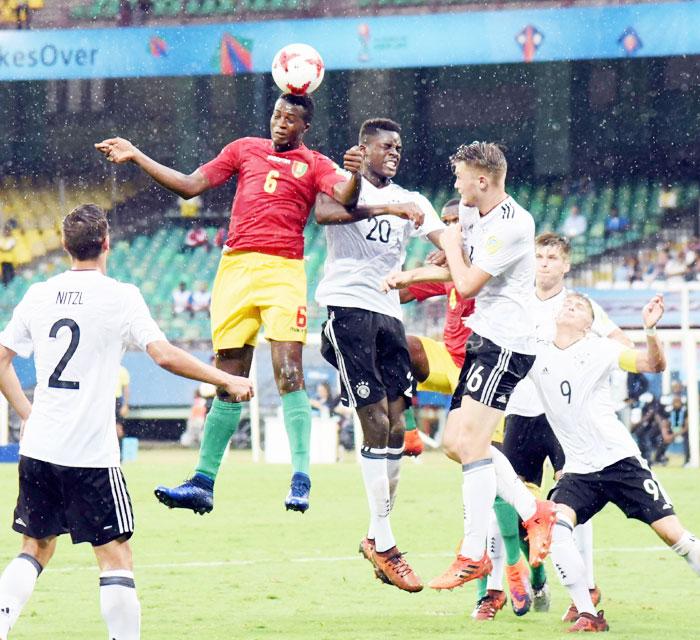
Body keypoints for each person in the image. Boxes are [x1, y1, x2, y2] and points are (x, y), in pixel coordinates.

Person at [96, 93, 363, 514]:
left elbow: (346, 196)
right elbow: (189, 185)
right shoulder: (244, 149)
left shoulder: (315, 164)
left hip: (283, 270)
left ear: (304, 128)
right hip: (235, 269)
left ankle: (300, 477)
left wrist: (356, 174)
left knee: (289, 371)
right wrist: (136, 156)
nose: (280, 123)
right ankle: (203, 482)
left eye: (291, 119)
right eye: (277, 115)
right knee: (228, 377)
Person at [0, 204, 254, 640]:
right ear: (107, 244)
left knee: (35, 548)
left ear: (64, 246)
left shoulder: (38, 294)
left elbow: (2, 359)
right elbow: (163, 355)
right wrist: (225, 377)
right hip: (91, 456)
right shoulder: (120, 296)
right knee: (116, 557)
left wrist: (29, 412)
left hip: (38, 449)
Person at [384, 141, 556, 591]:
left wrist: (452, 242)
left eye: (461, 176)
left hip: (506, 344)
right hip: (484, 340)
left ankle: (473, 554)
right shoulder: (474, 212)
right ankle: (531, 508)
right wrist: (411, 276)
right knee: (456, 444)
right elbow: (455, 272)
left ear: (483, 180)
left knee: (474, 443)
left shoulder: (514, 225)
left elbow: (467, 281)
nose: (456, 183)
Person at [314, 118, 444, 592]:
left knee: (395, 427)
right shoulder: (343, 184)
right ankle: (386, 542)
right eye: (386, 145)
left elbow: (444, 240)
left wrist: (455, 252)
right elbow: (325, 213)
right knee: (373, 422)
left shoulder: (417, 200)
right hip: (347, 309)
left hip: (389, 317)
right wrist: (383, 203)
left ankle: (376, 535)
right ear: (363, 149)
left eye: (400, 146)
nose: (395, 152)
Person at [534, 293, 700, 631]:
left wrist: (650, 331)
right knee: (556, 529)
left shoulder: (600, 350)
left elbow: (653, 365)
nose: (570, 306)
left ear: (589, 325)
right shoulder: (536, 354)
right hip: (579, 470)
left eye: (580, 307)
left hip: (619, 461)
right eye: (568, 304)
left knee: (674, 535)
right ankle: (587, 613)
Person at [401, 198, 533, 619]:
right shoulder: (451, 269)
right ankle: (407, 427)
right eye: (450, 224)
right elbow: (403, 291)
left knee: (482, 471)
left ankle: (504, 575)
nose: (455, 230)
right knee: (398, 344)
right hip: (452, 363)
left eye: (460, 222)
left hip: (487, 367)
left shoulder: (487, 265)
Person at [503, 232, 633, 621]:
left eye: (552, 257)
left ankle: (585, 587)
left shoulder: (578, 306)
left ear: (566, 265)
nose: (544, 262)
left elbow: (619, 342)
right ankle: (534, 573)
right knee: (514, 503)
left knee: (574, 501)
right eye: (539, 256)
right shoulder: (517, 301)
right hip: (521, 413)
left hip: (564, 419)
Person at [115, 364, 130, 460]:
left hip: (117, 401)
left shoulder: (122, 370)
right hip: (104, 400)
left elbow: (126, 389)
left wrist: (126, 405)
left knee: (118, 430)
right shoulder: (104, 367)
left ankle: (119, 456)